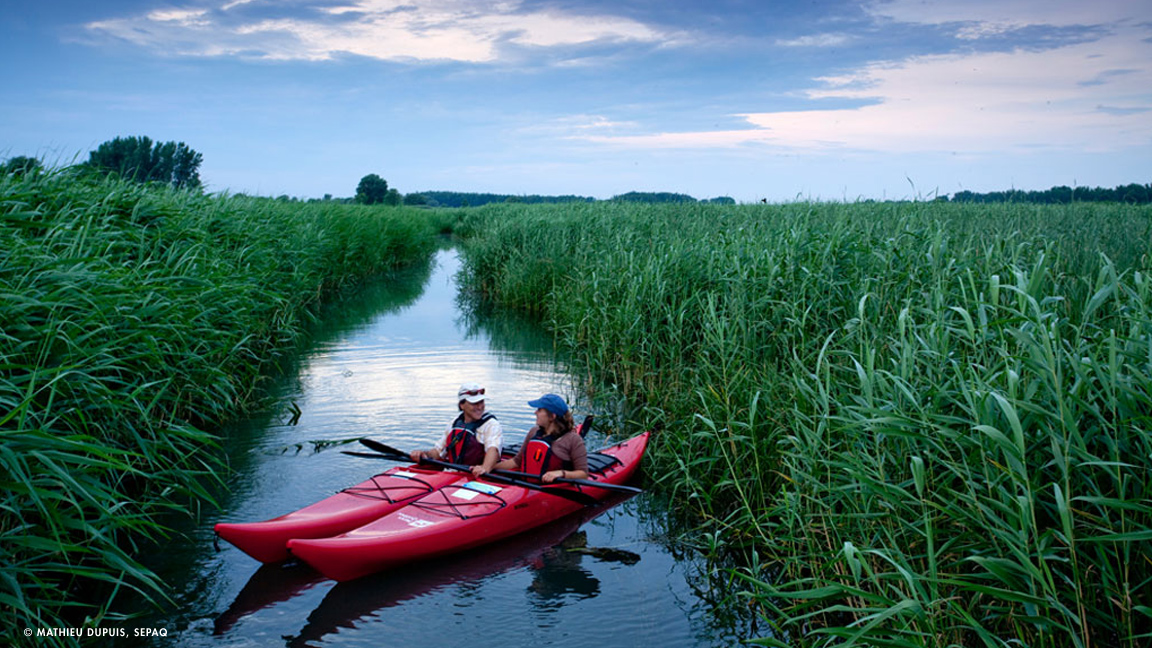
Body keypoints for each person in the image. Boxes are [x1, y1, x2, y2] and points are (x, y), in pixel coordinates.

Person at [410, 383, 503, 477]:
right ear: (462, 405)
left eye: (481, 402)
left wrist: (484, 468)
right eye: (474, 403)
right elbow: (438, 452)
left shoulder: (491, 424)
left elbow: (493, 449)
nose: (479, 407)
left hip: (476, 476)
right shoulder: (454, 423)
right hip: (454, 474)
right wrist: (424, 454)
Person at [494, 394, 588, 483]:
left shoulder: (573, 439)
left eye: (539, 410)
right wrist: (489, 468)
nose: (535, 412)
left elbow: (583, 474)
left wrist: (562, 473)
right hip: (526, 486)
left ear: (552, 416)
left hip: (554, 490)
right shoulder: (534, 432)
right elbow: (516, 462)